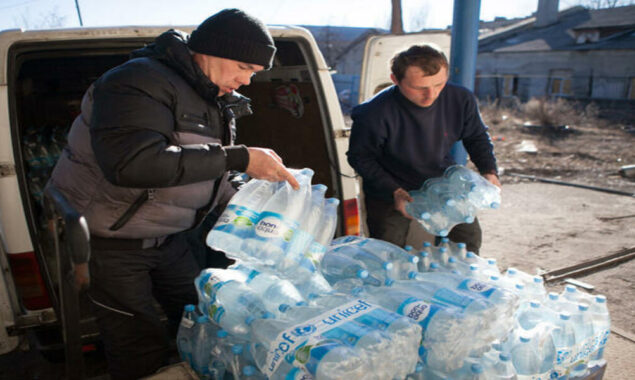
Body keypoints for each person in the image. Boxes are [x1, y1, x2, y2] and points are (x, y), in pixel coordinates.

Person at [48, 9, 298, 379]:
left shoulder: (210, 95)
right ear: (212, 50)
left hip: (171, 236)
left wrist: (256, 203)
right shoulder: (135, 82)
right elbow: (133, 163)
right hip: (110, 241)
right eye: (244, 67)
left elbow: (207, 168)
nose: (245, 81)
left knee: (200, 315)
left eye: (254, 73)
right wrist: (241, 157)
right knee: (137, 342)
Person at [347, 44, 500, 254]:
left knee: (468, 241)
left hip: (444, 182)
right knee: (387, 251)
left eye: (439, 84)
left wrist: (488, 170)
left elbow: (476, 136)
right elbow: (360, 158)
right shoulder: (373, 113)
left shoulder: (460, 99)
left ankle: (460, 282)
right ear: (395, 80)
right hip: (391, 186)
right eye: (419, 88)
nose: (431, 95)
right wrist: (394, 190)